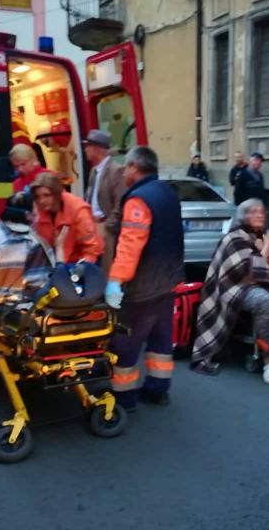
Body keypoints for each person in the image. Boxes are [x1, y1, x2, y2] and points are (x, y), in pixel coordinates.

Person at [191, 199, 269, 384]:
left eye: (261, 211)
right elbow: (244, 270)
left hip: (268, 281)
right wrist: (266, 248)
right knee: (264, 301)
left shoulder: (266, 235)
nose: (259, 215)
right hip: (238, 286)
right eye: (253, 212)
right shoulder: (234, 237)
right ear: (244, 216)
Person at [104, 146, 184, 411]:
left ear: (135, 166)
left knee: (126, 342)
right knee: (161, 339)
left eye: (126, 167)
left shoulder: (138, 200)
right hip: (168, 279)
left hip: (143, 285)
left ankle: (124, 398)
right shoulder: (167, 192)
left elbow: (130, 245)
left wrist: (116, 281)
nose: (124, 172)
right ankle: (158, 389)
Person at [30, 173, 104, 264]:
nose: (41, 201)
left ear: (57, 194)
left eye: (47, 195)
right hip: (57, 262)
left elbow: (92, 248)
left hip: (82, 262)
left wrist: (80, 270)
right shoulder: (39, 211)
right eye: (37, 197)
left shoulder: (78, 210)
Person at [83, 129, 125, 272]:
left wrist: (107, 227)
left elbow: (121, 203)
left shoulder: (116, 170)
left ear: (97, 149)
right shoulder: (94, 171)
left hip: (104, 226)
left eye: (88, 146)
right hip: (90, 226)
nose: (85, 149)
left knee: (106, 269)